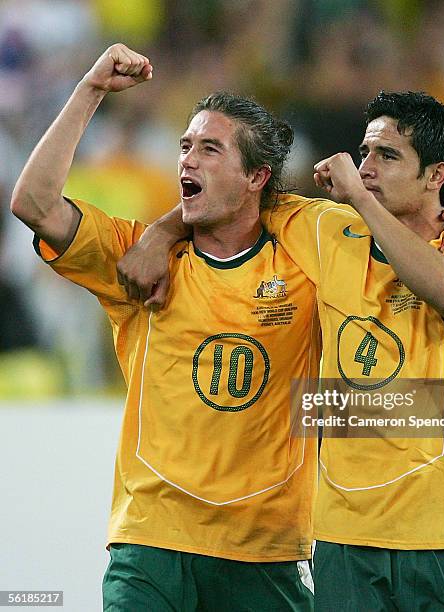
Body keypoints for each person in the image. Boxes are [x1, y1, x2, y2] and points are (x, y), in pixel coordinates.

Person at [120, 91, 444, 611]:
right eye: (365, 153)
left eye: (387, 155)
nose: (366, 167)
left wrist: (359, 199)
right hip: (342, 543)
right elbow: (238, 196)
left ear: (435, 176)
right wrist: (159, 233)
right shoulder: (327, 231)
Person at [10, 44, 321, 611]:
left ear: (257, 176)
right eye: (184, 146)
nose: (187, 160)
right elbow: (33, 203)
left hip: (266, 550)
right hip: (152, 544)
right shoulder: (134, 260)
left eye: (209, 148)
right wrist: (90, 92)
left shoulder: (305, 268)